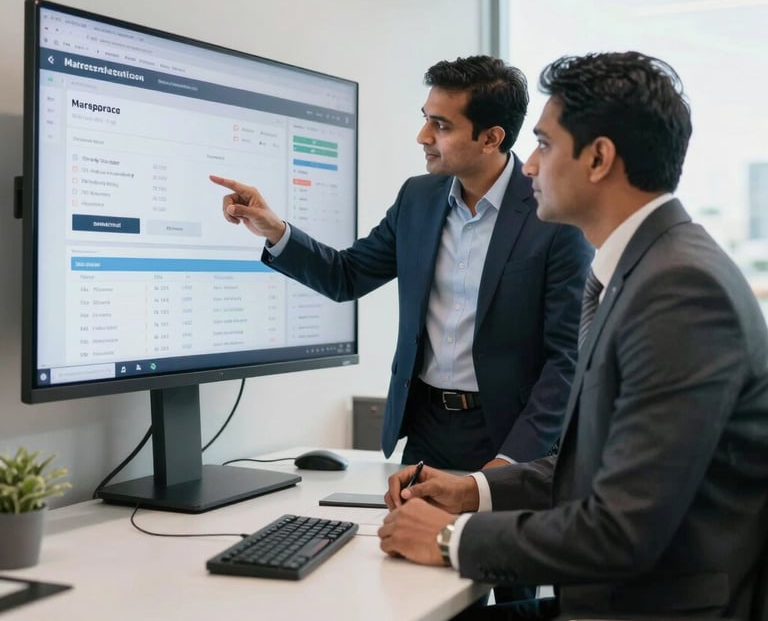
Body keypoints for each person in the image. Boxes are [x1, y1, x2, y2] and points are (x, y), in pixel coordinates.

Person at [378, 51, 768, 620]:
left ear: (599, 158)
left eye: (544, 144)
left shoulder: (680, 291)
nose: (529, 166)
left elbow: (622, 529)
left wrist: (448, 539)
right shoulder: (644, 269)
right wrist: (473, 492)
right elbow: (598, 469)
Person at [210, 55, 592, 472]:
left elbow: (566, 360)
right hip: (426, 430)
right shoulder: (418, 198)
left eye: (441, 126)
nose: (422, 136)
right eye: (426, 118)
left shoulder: (553, 214)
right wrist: (275, 230)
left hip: (508, 436)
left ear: (490, 138)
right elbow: (346, 276)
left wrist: (511, 460)